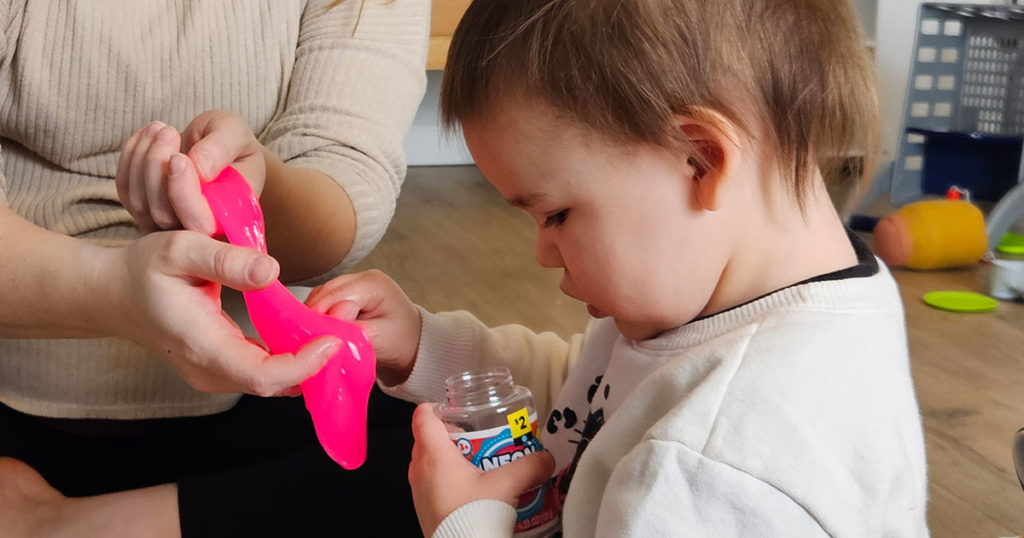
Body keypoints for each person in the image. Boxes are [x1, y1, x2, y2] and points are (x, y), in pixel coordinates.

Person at [305, 0, 931, 535]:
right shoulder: (754, 305)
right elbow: (596, 400)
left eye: (554, 215)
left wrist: (464, 523)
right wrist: (424, 345)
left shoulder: (713, 472)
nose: (542, 251)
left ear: (699, 160)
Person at [0, 0, 427, 535]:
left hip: (257, 406)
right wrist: (112, 290)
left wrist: (253, 189)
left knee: (482, 453)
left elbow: (345, 173)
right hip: (15, 398)